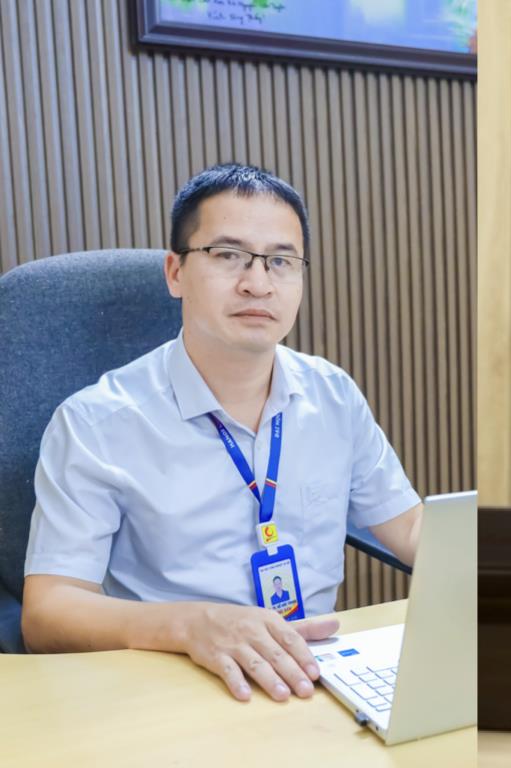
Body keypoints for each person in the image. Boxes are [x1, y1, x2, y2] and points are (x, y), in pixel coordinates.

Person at [22, 163, 423, 704]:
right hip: (166, 690)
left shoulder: (332, 395)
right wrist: (192, 626)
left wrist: (507, 560)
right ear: (175, 273)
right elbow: (48, 612)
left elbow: (410, 528)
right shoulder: (96, 422)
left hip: (314, 680)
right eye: (229, 255)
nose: (258, 283)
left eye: (280, 261)